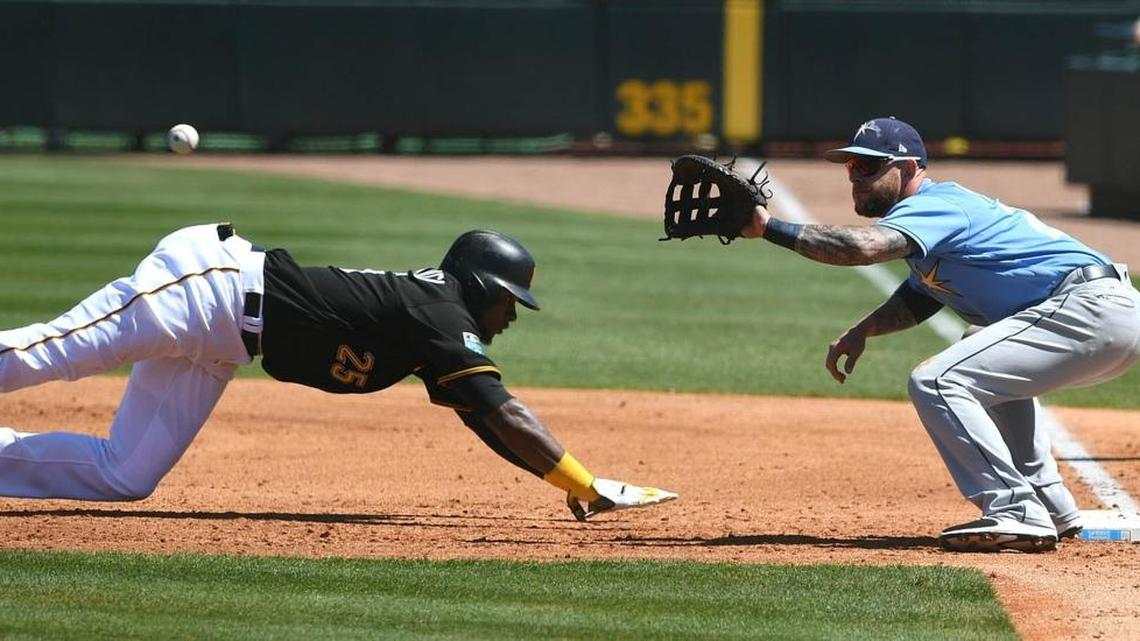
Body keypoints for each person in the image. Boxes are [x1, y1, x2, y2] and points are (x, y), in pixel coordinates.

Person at [0, 223, 677, 521]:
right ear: (478, 284)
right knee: (49, 353)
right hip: (204, 287)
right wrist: (588, 481)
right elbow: (505, 410)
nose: (513, 315)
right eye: (509, 299)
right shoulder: (440, 311)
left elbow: (484, 417)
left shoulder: (436, 327)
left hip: (223, 342)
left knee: (127, 473)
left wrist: (565, 484)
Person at [740, 116, 1140, 552]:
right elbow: (921, 295)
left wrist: (768, 229)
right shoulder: (929, 222)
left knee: (937, 380)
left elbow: (863, 248)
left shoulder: (937, 203)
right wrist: (864, 331)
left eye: (870, 168)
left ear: (909, 168)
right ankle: (1049, 504)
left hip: (1089, 308)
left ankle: (1015, 509)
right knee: (975, 342)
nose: (858, 178)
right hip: (1100, 315)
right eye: (852, 168)